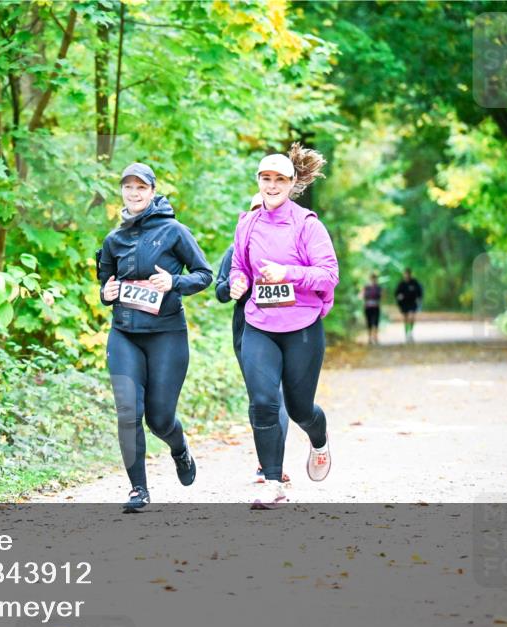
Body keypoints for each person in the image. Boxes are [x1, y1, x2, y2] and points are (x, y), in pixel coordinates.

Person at [97, 162, 213, 512]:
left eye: (140, 188)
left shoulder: (174, 231)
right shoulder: (113, 239)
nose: (133, 193)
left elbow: (205, 274)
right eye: (128, 187)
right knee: (128, 411)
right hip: (124, 334)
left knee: (160, 418)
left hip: (166, 334)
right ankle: (138, 489)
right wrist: (107, 292)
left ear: (152, 191)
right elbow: (104, 283)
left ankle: (179, 449)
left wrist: (174, 283)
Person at [229, 144, 339, 509]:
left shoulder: (308, 224)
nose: (272, 185)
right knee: (262, 402)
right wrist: (238, 282)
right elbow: (239, 266)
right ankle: (273, 482)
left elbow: (328, 274)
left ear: (292, 184)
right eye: (266, 178)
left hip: (302, 326)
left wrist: (287, 273)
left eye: (279, 179)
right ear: (258, 181)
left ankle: (319, 440)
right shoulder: (247, 223)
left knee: (298, 408)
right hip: (260, 322)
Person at [214, 193, 291, 485]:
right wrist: (234, 288)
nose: (263, 215)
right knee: (261, 397)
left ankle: (274, 465)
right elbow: (220, 290)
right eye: (256, 210)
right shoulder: (235, 249)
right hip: (247, 331)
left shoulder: (290, 246)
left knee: (278, 396)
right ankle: (265, 461)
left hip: (285, 329)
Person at [395, 268, 423, 343]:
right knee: (405, 319)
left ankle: (410, 332)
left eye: (408, 274)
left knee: (411, 317)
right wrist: (399, 297)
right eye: (405, 274)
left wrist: (419, 298)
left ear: (410, 274)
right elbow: (397, 293)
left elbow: (419, 292)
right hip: (404, 304)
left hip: (412, 303)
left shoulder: (414, 282)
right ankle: (406, 333)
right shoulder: (401, 284)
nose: (406, 275)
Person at [363, 273, 382, 345]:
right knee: (369, 323)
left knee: (376, 322)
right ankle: (370, 338)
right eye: (372, 279)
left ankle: (375, 337)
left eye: (375, 279)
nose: (373, 280)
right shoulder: (366, 287)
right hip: (368, 307)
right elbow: (362, 295)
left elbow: (382, 297)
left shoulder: (378, 288)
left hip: (376, 307)